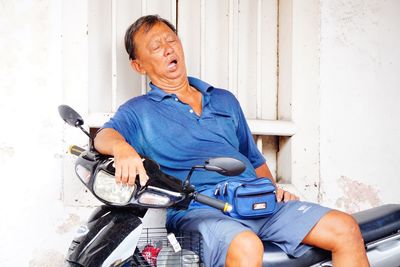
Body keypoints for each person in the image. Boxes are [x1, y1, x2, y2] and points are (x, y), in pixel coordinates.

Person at [94, 15, 369, 267]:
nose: (168, 49)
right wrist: (122, 148)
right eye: (156, 46)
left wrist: (273, 190)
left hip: (255, 201)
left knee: (345, 227)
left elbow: (252, 158)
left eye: (171, 40)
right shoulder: (138, 111)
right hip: (200, 209)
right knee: (246, 245)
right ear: (138, 65)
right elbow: (104, 136)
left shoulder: (224, 99)